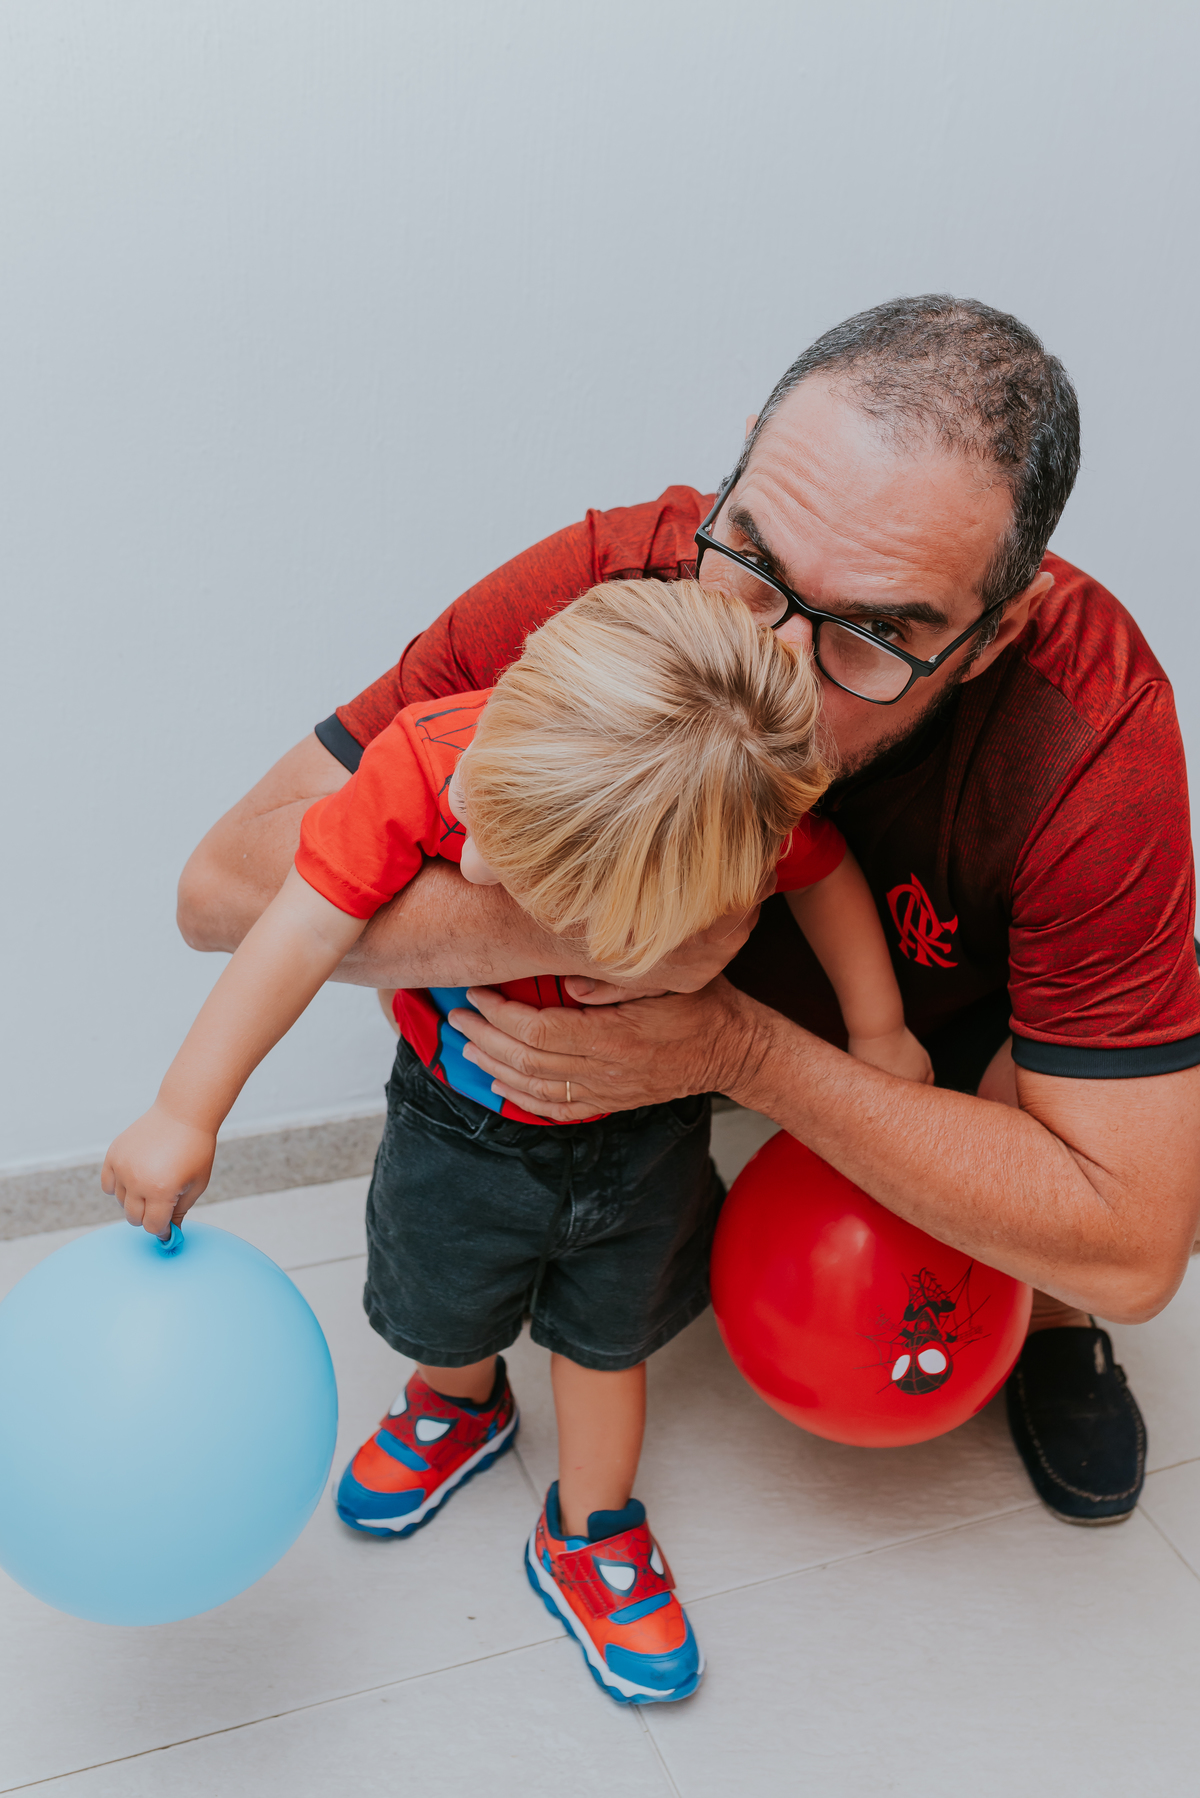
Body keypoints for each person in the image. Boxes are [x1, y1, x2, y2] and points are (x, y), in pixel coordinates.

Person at [178, 295, 1200, 1529]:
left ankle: (1041, 1319)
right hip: (614, 1099)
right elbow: (226, 885)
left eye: (875, 634)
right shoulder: (622, 588)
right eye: (757, 568)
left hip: (929, 1042)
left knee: (1078, 1178)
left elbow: (1140, 1243)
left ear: (999, 630)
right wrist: (600, 930)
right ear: (737, 473)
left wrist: (736, 1046)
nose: (766, 667)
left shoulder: (1088, 723)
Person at [105, 578, 930, 1706]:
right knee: (443, 1302)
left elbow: (825, 875)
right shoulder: (428, 751)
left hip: (641, 1129)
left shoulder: (730, 808)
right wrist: (184, 1109)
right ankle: (458, 1399)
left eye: (530, 878)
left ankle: (590, 1527)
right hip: (459, 1126)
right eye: (479, 824)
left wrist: (878, 1029)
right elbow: (296, 924)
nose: (476, 865)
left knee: (608, 1343)